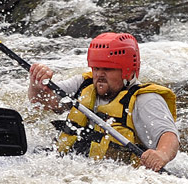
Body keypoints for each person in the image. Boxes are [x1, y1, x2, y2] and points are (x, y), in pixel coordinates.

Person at [26, 32, 178, 172]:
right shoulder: (83, 84)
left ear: (128, 70)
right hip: (67, 168)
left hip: (117, 178)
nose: (99, 75)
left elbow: (169, 135)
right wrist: (36, 83)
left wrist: (161, 155)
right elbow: (42, 103)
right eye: (96, 68)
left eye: (108, 69)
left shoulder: (146, 99)